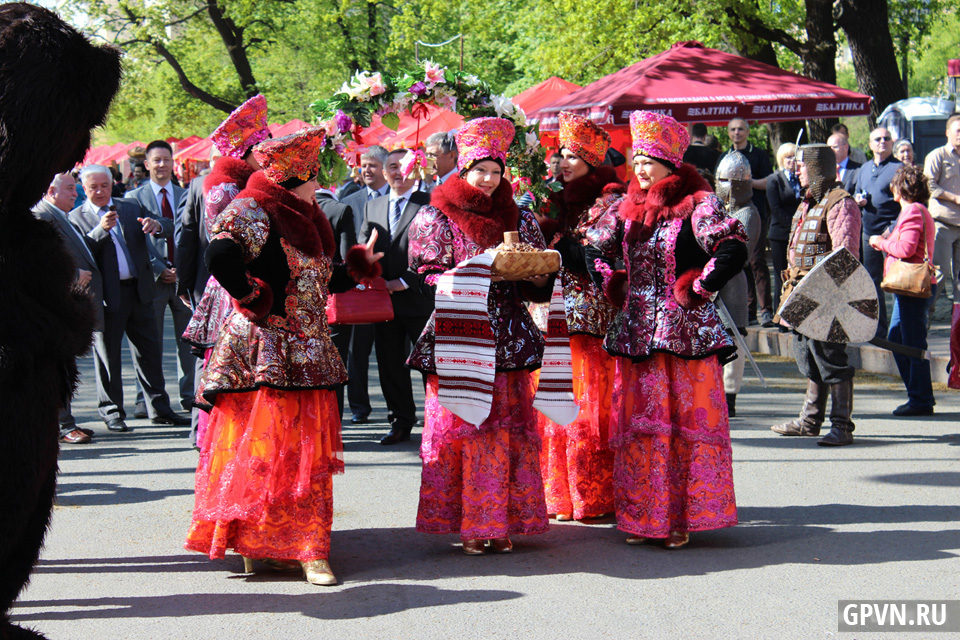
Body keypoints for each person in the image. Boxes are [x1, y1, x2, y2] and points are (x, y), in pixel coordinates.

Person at [185, 126, 383, 586]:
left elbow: (317, 282)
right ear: (296, 178)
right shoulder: (254, 207)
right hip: (265, 347)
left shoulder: (306, 214)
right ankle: (262, 545)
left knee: (303, 453)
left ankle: (306, 546)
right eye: (315, 178)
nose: (321, 186)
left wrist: (356, 269)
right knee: (265, 449)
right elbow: (219, 255)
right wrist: (254, 296)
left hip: (309, 348)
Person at [587, 111, 747, 548]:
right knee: (642, 423)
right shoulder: (624, 207)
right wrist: (612, 284)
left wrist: (699, 285)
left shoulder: (698, 202)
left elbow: (732, 246)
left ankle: (683, 516)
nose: (640, 169)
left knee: (681, 424)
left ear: (670, 166)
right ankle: (642, 515)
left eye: (649, 162)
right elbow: (594, 248)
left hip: (684, 331)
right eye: (636, 161)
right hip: (638, 330)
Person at [407, 116, 557, 555]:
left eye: (496, 172)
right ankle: (470, 523)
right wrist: (477, 273)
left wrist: (537, 276)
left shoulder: (520, 215)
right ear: (464, 170)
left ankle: (502, 520)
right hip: (458, 334)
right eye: (480, 171)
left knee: (505, 430)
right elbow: (427, 274)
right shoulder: (437, 213)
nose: (489, 180)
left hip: (508, 334)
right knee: (463, 427)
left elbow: (535, 273)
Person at [535, 111, 623, 521]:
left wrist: (551, 236)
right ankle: (558, 495)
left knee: (588, 408)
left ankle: (592, 494)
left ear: (591, 159)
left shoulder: (610, 201)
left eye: (572, 155)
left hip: (589, 319)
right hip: (551, 315)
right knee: (553, 404)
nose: (563, 162)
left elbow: (592, 257)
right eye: (560, 154)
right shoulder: (551, 196)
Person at [180, 94, 270, 447]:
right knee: (227, 365)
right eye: (262, 148)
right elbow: (230, 243)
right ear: (247, 151)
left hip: (249, 281)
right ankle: (217, 438)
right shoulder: (224, 187)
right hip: (234, 286)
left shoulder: (248, 182)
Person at [69, 164, 184, 432]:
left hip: (139, 289)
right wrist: (100, 230)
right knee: (108, 356)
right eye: (93, 187)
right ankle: (112, 412)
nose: (100, 192)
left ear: (112, 185)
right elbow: (81, 252)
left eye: (104, 186)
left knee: (149, 352)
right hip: (107, 296)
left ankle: (159, 408)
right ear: (84, 189)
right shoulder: (77, 217)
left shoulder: (129, 207)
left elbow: (168, 225)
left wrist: (157, 225)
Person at [771, 144, 862, 446]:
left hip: (828, 296)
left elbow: (844, 256)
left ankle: (842, 426)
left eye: (802, 165)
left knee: (830, 357)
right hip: (803, 294)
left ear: (818, 168)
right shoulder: (807, 203)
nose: (797, 170)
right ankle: (810, 421)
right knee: (810, 356)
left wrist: (826, 296)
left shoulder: (841, 204)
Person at [359, 148, 434, 444]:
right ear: (384, 170)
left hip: (418, 297)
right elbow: (363, 245)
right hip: (383, 299)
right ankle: (400, 420)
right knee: (390, 364)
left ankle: (437, 419)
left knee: (430, 362)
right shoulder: (373, 206)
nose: (397, 172)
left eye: (404, 166)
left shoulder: (428, 203)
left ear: (416, 169)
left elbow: (436, 250)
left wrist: (407, 280)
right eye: (392, 166)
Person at [33, 172, 101, 444]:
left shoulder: (58, 214)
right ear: (51, 190)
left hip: (63, 306)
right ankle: (62, 425)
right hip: (50, 308)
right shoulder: (42, 217)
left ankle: (64, 422)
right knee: (56, 367)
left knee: (64, 367)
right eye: (71, 189)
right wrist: (73, 276)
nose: (76, 194)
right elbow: (39, 265)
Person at [128, 139, 193, 415]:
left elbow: (191, 238)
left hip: (183, 280)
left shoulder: (186, 195)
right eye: (156, 160)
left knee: (189, 342)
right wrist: (159, 269)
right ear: (147, 164)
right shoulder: (133, 200)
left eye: (167, 159)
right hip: (151, 280)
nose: (162, 165)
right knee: (148, 342)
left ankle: (190, 395)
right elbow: (133, 243)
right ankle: (147, 399)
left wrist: (181, 269)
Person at [868, 164, 937, 416]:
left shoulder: (912, 212)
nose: (891, 188)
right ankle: (918, 396)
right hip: (908, 289)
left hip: (912, 288)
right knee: (898, 339)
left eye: (894, 184)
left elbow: (906, 250)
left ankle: (920, 399)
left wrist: (881, 242)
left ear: (902, 187)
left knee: (911, 343)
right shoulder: (915, 211)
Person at [340, 145, 390, 425]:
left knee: (393, 352)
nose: (366, 170)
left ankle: (400, 408)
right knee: (356, 351)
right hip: (359, 287)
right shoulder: (351, 199)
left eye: (372, 165)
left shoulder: (401, 198)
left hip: (393, 286)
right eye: (364, 165)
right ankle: (359, 406)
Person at [717, 117, 774, 326]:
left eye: (740, 129)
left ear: (747, 131)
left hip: (752, 211)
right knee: (740, 268)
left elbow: (769, 180)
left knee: (756, 262)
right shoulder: (725, 156)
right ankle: (748, 310)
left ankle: (765, 309)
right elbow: (720, 185)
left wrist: (744, 183)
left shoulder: (757, 155)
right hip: (729, 213)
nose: (736, 133)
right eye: (732, 129)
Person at [715, 151, 760, 417]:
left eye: (728, 180)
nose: (724, 185)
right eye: (721, 179)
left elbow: (738, 251)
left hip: (733, 282)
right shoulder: (717, 209)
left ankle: (729, 397)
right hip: (712, 281)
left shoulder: (748, 213)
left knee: (734, 341)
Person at [854, 127, 902, 333]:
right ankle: (879, 329)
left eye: (887, 138)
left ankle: (899, 328)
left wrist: (891, 228)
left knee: (897, 282)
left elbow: (907, 203)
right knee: (872, 281)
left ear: (892, 143)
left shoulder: (899, 168)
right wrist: (858, 199)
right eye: (878, 139)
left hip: (892, 233)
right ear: (870, 144)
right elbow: (856, 191)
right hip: (868, 234)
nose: (882, 141)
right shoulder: (863, 169)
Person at [924, 114, 960, 300]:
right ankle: (925, 318)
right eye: (958, 130)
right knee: (940, 273)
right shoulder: (937, 156)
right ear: (947, 133)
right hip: (943, 224)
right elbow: (929, 185)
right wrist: (954, 198)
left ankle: (957, 325)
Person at [767, 142, 803, 313]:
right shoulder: (775, 180)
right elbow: (775, 208)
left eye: (794, 156)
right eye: (788, 157)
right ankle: (779, 313)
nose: (792, 160)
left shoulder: (802, 179)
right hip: (780, 234)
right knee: (781, 275)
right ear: (781, 159)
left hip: (799, 234)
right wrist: (793, 226)